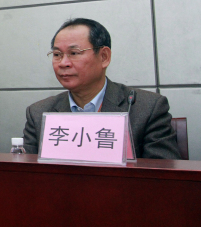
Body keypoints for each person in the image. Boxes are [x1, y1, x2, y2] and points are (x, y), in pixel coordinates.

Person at [23, 18, 180, 159]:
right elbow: (27, 175)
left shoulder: (147, 107)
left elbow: (163, 175)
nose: (63, 63)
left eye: (74, 53)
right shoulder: (38, 113)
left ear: (104, 57)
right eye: (57, 54)